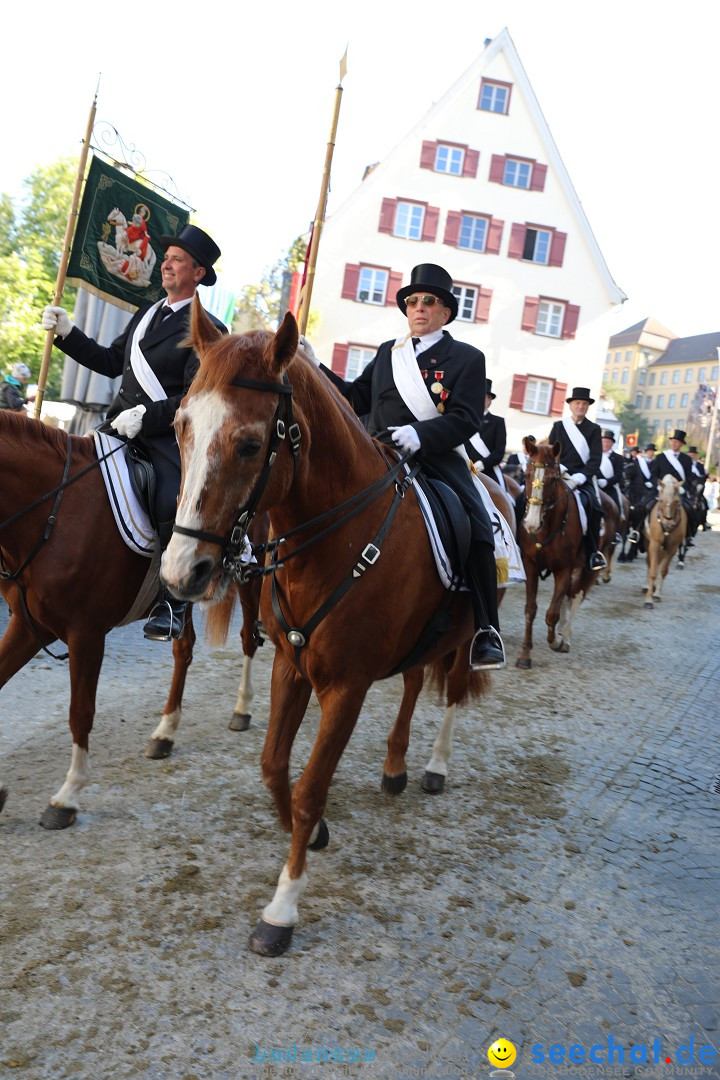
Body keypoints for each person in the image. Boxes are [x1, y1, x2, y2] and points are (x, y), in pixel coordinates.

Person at [300, 262, 505, 671]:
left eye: (429, 302)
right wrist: (314, 365)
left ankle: (486, 629)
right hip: (378, 453)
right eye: (412, 301)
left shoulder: (466, 357)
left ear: (446, 311)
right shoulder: (387, 353)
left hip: (436, 457)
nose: (419, 308)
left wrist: (422, 435)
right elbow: (355, 397)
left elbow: (466, 418)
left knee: (478, 525)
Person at [41, 224, 226, 641]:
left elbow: (198, 399)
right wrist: (68, 334)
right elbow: (110, 361)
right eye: (166, 258)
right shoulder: (146, 315)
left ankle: (172, 601)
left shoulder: (210, 329)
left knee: (169, 500)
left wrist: (148, 417)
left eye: (176, 259)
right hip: (117, 427)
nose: (165, 264)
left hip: (166, 438)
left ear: (197, 273)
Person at [547, 387, 607, 571]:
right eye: (577, 403)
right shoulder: (559, 426)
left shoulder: (594, 429)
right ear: (571, 405)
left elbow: (596, 458)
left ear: (588, 407)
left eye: (584, 404)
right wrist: (562, 470)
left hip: (583, 477)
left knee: (595, 508)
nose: (580, 406)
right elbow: (551, 452)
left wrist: (580, 477)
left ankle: (592, 553)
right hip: (559, 474)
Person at [650, 429, 696, 543]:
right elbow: (653, 474)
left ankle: (688, 536)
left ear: (681, 444)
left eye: (677, 442)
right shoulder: (661, 456)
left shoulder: (686, 459)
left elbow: (689, 477)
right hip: (661, 491)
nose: (674, 443)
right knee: (645, 506)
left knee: (690, 509)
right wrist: (658, 485)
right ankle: (638, 532)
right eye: (673, 441)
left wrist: (683, 488)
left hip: (677, 493)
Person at [466, 379, 507, 490]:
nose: (484, 399)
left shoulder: (497, 422)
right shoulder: (465, 419)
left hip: (487, 471)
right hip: (463, 469)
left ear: (490, 400)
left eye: (488, 397)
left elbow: (499, 452)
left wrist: (480, 465)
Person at [624, 443, 657, 546]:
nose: (650, 453)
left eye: (652, 451)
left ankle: (639, 530)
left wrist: (652, 483)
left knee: (648, 508)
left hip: (648, 490)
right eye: (649, 451)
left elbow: (656, 475)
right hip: (635, 489)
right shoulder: (638, 462)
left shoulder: (656, 463)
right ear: (646, 452)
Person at [597, 429, 625, 542]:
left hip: (610, 488)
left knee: (617, 507)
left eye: (608, 441)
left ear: (612, 443)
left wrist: (607, 482)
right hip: (595, 486)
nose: (606, 443)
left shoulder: (618, 458)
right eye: (604, 441)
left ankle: (616, 533)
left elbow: (618, 476)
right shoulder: (594, 454)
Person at [688, 446, 710, 531]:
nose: (692, 456)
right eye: (691, 454)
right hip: (689, 488)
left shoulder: (700, 466)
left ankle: (704, 521)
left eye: (693, 454)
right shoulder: (686, 465)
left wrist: (705, 476)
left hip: (698, 488)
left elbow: (703, 476)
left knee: (704, 502)